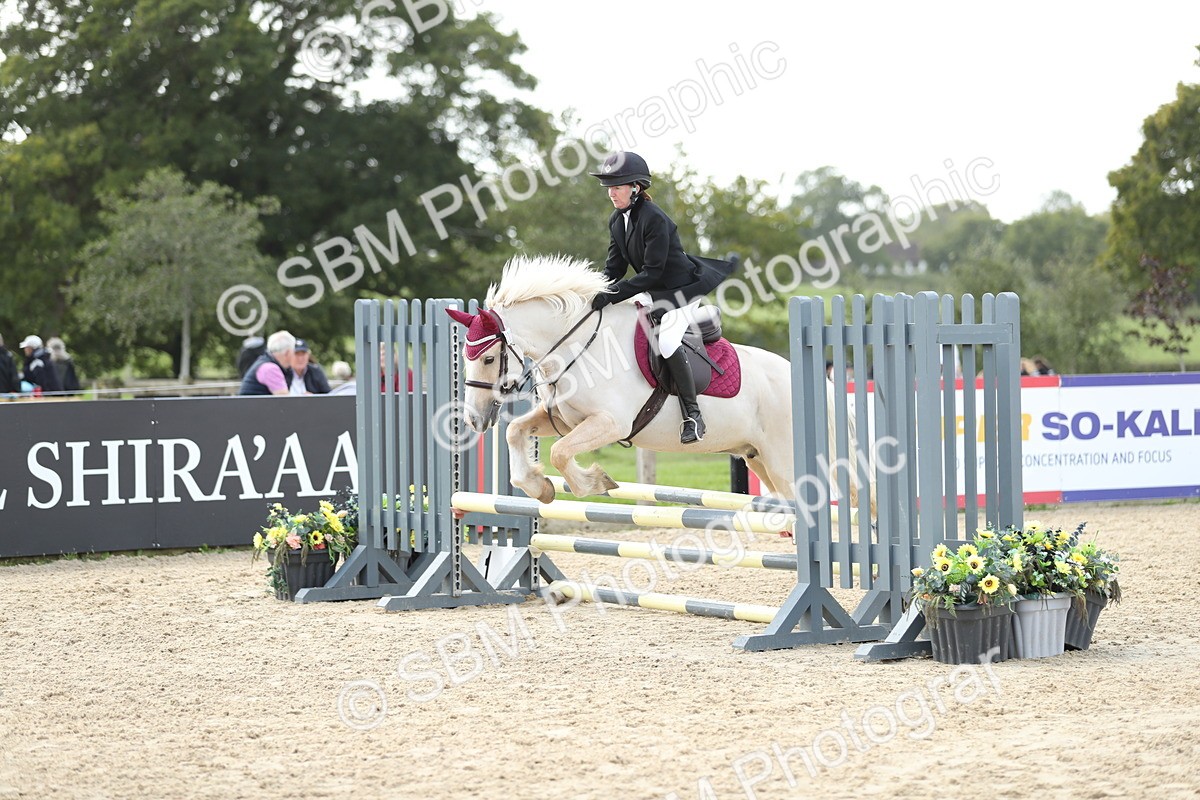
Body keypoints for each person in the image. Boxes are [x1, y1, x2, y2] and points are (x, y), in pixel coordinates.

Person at [587, 151, 738, 443]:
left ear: (635, 187)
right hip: (652, 290)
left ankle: (693, 415)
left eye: (617, 186)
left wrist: (614, 295)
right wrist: (594, 291)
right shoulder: (617, 221)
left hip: (680, 290)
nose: (611, 193)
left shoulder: (655, 219)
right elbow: (614, 268)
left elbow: (653, 272)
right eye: (609, 187)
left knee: (667, 340)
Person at [238, 330, 295, 395]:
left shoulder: (265, 362)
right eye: (294, 351)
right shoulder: (271, 369)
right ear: (287, 353)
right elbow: (285, 401)